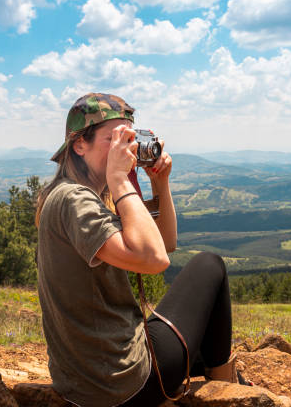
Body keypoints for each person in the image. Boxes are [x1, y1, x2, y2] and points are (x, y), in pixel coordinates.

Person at [35, 93, 243, 407]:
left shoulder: (84, 195)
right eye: (114, 139)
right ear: (79, 145)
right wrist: (120, 179)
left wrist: (160, 184)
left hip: (90, 380)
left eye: (130, 139)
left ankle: (220, 373)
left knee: (203, 335)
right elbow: (155, 259)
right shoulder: (74, 199)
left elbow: (165, 242)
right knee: (209, 265)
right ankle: (226, 385)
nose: (127, 149)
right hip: (123, 384)